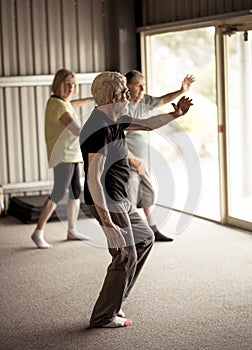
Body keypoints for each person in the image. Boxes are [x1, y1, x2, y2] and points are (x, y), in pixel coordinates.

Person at [80, 71, 193, 328]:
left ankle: (115, 303)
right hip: (107, 200)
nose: (129, 97)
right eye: (125, 93)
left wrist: (176, 114)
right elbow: (94, 180)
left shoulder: (115, 118)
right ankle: (103, 316)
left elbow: (148, 124)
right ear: (112, 96)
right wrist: (108, 224)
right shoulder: (97, 128)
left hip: (120, 198)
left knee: (145, 238)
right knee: (124, 255)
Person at [125, 70, 195, 242]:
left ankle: (152, 228)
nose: (142, 89)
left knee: (148, 192)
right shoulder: (121, 106)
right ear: (128, 86)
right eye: (138, 85)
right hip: (126, 158)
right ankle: (130, 232)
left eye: (144, 85)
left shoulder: (145, 100)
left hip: (142, 160)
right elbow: (117, 137)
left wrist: (182, 90)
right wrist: (132, 160)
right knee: (130, 195)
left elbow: (163, 99)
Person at [31, 68, 93, 249]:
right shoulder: (58, 105)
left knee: (75, 190)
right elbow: (76, 130)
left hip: (71, 154)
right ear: (59, 85)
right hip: (63, 155)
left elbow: (71, 104)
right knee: (58, 192)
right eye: (67, 84)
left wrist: (90, 99)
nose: (71, 88)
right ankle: (38, 232)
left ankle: (72, 230)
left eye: (74, 84)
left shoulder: (61, 102)